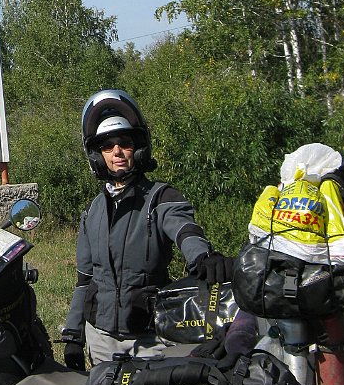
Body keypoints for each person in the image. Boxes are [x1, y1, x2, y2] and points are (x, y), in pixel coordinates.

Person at [62, 89, 231, 370]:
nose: (116, 152)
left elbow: (184, 229)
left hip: (150, 336)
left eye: (124, 143)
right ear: (97, 155)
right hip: (100, 337)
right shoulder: (92, 212)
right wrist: (72, 335)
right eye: (107, 146)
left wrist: (202, 257)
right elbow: (84, 280)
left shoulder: (161, 197)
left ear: (137, 148)